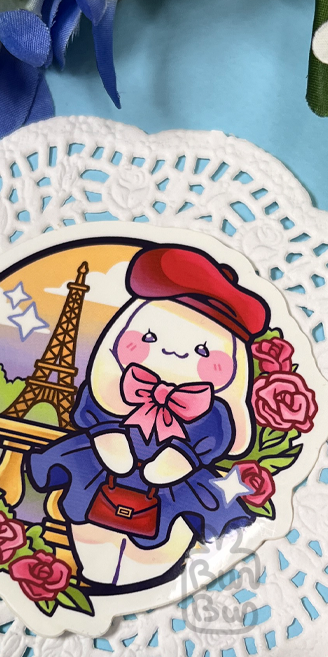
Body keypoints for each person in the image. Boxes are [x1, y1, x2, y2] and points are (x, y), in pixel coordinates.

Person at [28, 245, 270, 590]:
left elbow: (212, 437)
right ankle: (95, 563)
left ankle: (143, 574)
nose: (174, 351)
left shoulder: (211, 409)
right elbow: (94, 412)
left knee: (169, 528)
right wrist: (108, 437)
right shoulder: (118, 387)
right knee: (89, 516)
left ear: (233, 366)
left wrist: (180, 457)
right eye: (150, 337)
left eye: (203, 351)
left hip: (173, 480)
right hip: (107, 466)